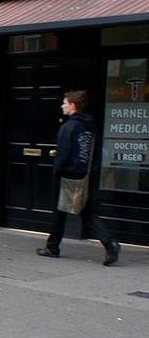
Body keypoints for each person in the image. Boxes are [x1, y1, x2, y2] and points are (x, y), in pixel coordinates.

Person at [37, 90, 120, 266]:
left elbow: (64, 153)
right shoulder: (90, 125)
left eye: (65, 103)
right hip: (86, 173)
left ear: (73, 105)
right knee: (85, 211)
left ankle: (53, 247)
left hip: (68, 175)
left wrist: (57, 169)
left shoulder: (69, 127)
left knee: (62, 211)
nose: (62, 106)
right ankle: (109, 242)